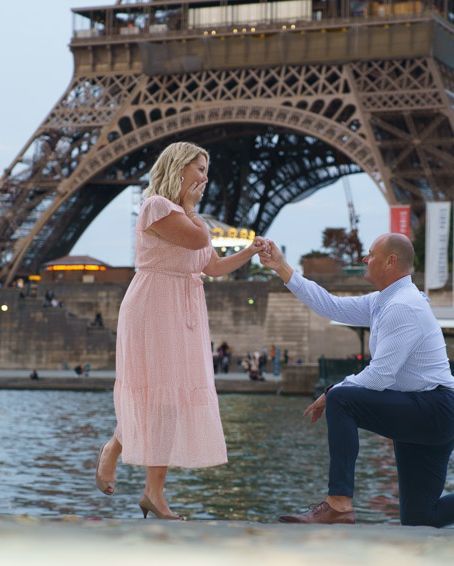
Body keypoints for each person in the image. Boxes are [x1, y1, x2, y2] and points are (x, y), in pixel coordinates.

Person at [257, 233, 454, 532]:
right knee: (421, 518)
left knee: (343, 399)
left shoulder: (403, 306)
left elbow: (380, 376)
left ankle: (338, 504)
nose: (364, 259)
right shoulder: (385, 301)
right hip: (429, 410)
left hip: (432, 410)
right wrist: (283, 268)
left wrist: (333, 391)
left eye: (370, 254)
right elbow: (331, 306)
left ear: (391, 261)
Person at [94, 141, 266, 519]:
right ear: (178, 168)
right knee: (155, 393)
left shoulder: (190, 217)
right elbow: (200, 239)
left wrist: (251, 251)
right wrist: (189, 209)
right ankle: (114, 449)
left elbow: (213, 266)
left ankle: (153, 492)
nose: (205, 177)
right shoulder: (158, 206)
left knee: (168, 399)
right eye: (200, 168)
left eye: (206, 170)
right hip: (154, 303)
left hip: (183, 308)